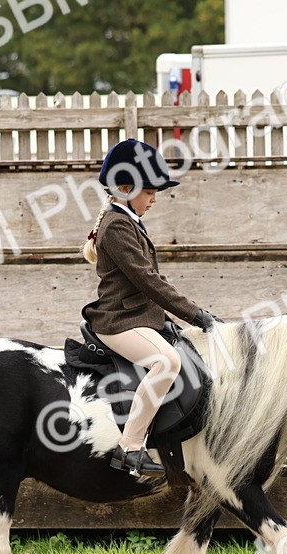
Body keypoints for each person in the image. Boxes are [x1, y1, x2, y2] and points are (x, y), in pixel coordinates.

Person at [81, 139, 222, 477]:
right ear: (125, 187)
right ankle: (129, 448)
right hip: (117, 322)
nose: (155, 198)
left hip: (136, 317)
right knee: (165, 362)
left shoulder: (127, 220)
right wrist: (196, 315)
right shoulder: (116, 226)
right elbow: (148, 281)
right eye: (149, 191)